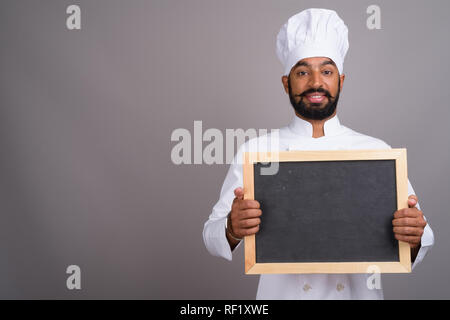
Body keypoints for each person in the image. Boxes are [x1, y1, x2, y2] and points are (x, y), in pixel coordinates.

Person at [202, 8, 434, 299]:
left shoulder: (376, 152)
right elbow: (211, 235)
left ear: (341, 80)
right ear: (286, 82)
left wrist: (413, 234)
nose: (315, 82)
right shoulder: (257, 151)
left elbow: (422, 239)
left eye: (326, 71)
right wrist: (232, 229)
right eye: (302, 72)